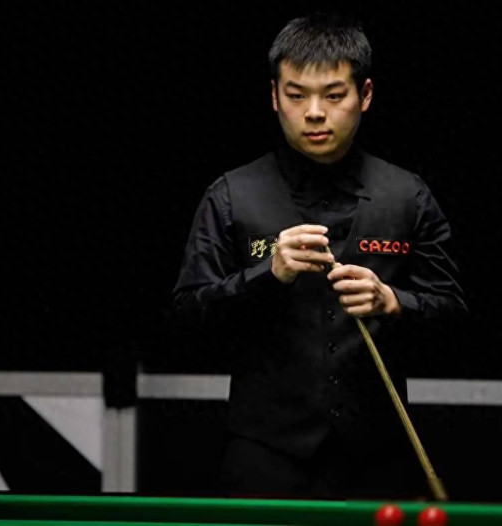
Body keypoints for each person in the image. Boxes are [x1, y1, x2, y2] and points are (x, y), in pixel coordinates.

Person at [172, 12, 466, 499]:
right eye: (296, 95)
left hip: (378, 462)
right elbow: (186, 321)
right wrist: (267, 274)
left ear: (364, 95)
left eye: (332, 95)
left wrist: (394, 302)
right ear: (274, 96)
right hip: (264, 458)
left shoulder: (408, 197)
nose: (313, 112)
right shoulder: (229, 196)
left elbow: (454, 318)